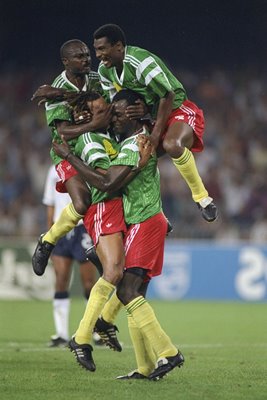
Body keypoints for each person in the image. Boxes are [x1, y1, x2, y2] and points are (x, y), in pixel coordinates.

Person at [53, 89, 184, 380]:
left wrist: (69, 157)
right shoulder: (139, 135)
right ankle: (145, 366)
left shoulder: (131, 144)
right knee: (134, 293)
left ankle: (168, 352)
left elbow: (108, 183)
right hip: (145, 220)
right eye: (110, 113)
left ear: (132, 114)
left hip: (144, 221)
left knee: (126, 290)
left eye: (117, 114)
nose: (112, 119)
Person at [93, 23, 218, 223]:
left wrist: (154, 135)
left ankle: (202, 198)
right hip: (151, 117)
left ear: (118, 46)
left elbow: (167, 95)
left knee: (171, 144)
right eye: (96, 50)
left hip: (177, 109)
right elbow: (120, 102)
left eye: (102, 49)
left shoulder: (139, 61)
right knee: (137, 160)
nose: (98, 55)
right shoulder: (104, 71)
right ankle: (154, 216)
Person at [31, 39, 113, 277]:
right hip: (67, 151)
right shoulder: (57, 85)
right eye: (80, 56)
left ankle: (100, 245)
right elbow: (64, 132)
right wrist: (94, 122)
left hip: (96, 144)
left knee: (114, 189)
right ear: (66, 61)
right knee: (81, 203)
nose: (86, 59)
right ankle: (47, 241)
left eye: (87, 55)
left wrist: (86, 115)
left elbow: (106, 105)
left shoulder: (95, 78)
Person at [43, 165, 102, 347]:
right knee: (60, 279)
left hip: (82, 227)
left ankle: (97, 331)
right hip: (60, 228)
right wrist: (49, 237)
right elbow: (50, 203)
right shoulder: (52, 171)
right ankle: (61, 333)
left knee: (89, 283)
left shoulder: (84, 164)